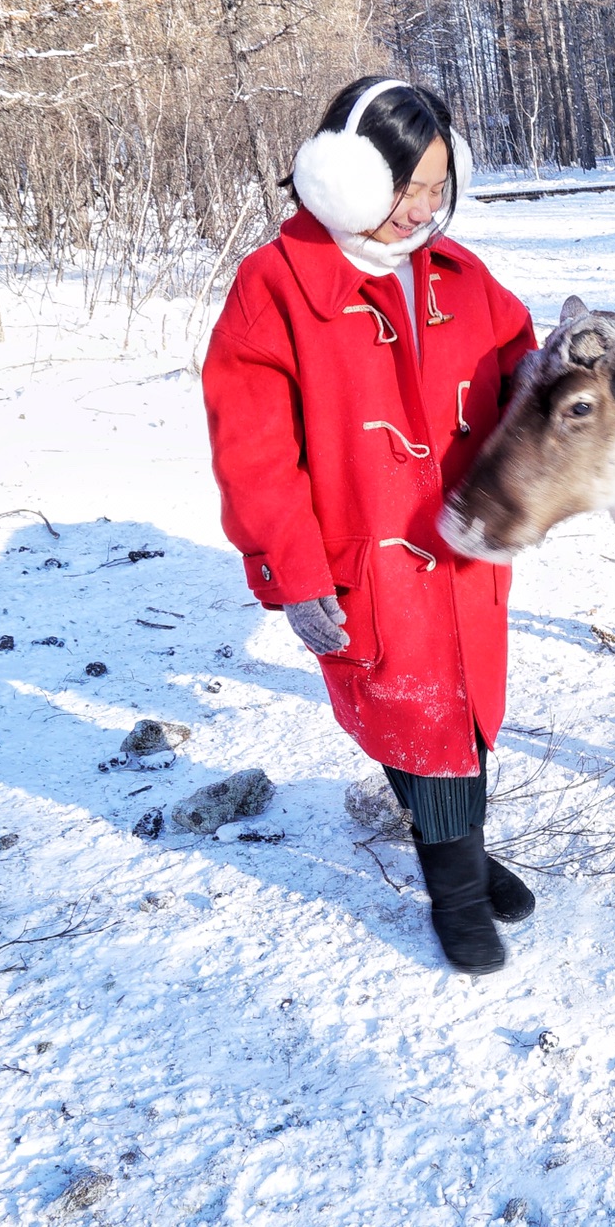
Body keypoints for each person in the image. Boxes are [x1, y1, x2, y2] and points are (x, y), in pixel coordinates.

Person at [202, 77, 538, 974]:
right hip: (364, 558)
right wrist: (294, 575)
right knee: (418, 722)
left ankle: (454, 845)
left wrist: (543, 370)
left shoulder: (460, 277)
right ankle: (456, 890)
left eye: (437, 187)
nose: (422, 211)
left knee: (452, 724)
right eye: (402, 188)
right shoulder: (274, 288)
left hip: (462, 549)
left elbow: (512, 354)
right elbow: (253, 452)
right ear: (345, 177)